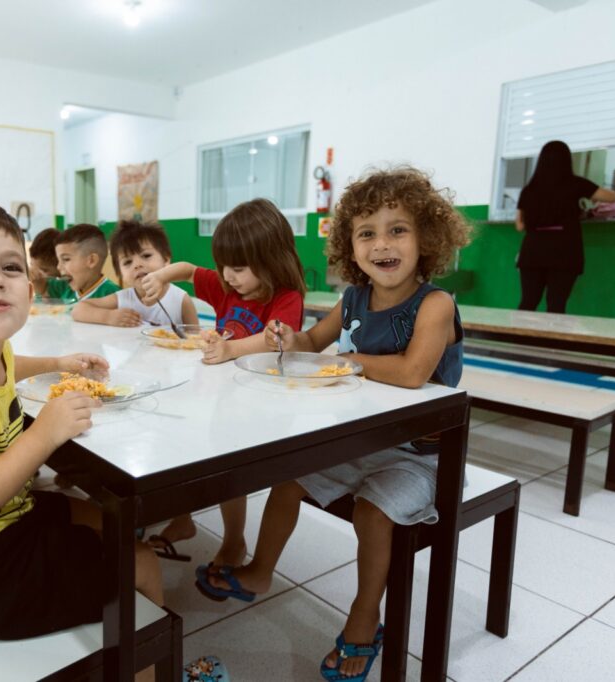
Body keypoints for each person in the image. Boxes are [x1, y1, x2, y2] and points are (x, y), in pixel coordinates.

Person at [0, 199, 229, 681]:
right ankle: (146, 669)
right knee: (141, 563)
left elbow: (7, 367)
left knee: (106, 521)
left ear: (28, 286)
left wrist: (56, 363)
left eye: (9, 266)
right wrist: (43, 434)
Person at [195, 168, 471, 682]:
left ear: (427, 238)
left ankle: (365, 618)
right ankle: (258, 572)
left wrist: (344, 363)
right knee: (288, 476)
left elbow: (413, 373)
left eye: (398, 230)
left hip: (422, 456)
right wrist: (285, 336)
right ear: (350, 244)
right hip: (360, 442)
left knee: (371, 514)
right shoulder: (354, 299)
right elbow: (310, 344)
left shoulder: (435, 305)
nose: (381, 244)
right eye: (367, 233)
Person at [137, 198, 306, 565]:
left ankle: (232, 541)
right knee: (225, 476)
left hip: (266, 405)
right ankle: (232, 539)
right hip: (227, 400)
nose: (229, 275)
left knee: (239, 475)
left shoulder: (286, 297)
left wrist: (229, 350)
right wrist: (160, 277)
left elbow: (272, 338)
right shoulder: (227, 288)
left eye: (239, 267)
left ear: (272, 260)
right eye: (224, 266)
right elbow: (187, 270)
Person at [516, 140, 615, 313]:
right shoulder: (576, 184)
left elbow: (519, 225)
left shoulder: (529, 189)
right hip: (564, 250)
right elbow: (612, 197)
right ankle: (551, 341)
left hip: (533, 250)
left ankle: (516, 339)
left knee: (528, 301)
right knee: (556, 304)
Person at [72, 220, 198, 327]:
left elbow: (196, 339)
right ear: (120, 274)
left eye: (146, 255)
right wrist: (109, 317)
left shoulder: (181, 300)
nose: (137, 265)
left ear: (166, 260)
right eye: (127, 262)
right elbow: (78, 309)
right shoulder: (122, 298)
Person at [48, 223, 120, 302]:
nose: (58, 267)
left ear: (91, 261)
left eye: (66, 259)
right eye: (58, 260)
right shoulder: (68, 294)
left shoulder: (114, 296)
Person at [27, 227, 61, 296]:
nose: (37, 274)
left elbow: (50, 303)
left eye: (44, 270)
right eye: (32, 265)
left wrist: (40, 288)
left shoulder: (61, 285)